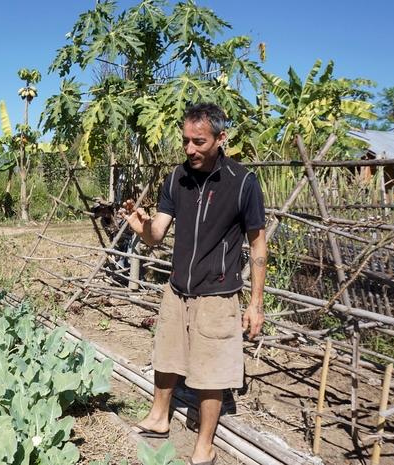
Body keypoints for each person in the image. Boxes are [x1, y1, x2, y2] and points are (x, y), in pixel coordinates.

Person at [122, 103, 267, 465]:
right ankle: (159, 417)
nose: (189, 149)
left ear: (221, 138)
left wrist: (256, 303)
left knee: (210, 372)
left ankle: (205, 445)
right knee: (167, 356)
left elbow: (258, 243)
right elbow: (157, 233)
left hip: (217, 293)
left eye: (198, 141)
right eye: (185, 141)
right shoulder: (176, 178)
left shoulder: (243, 182)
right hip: (177, 288)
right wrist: (141, 227)